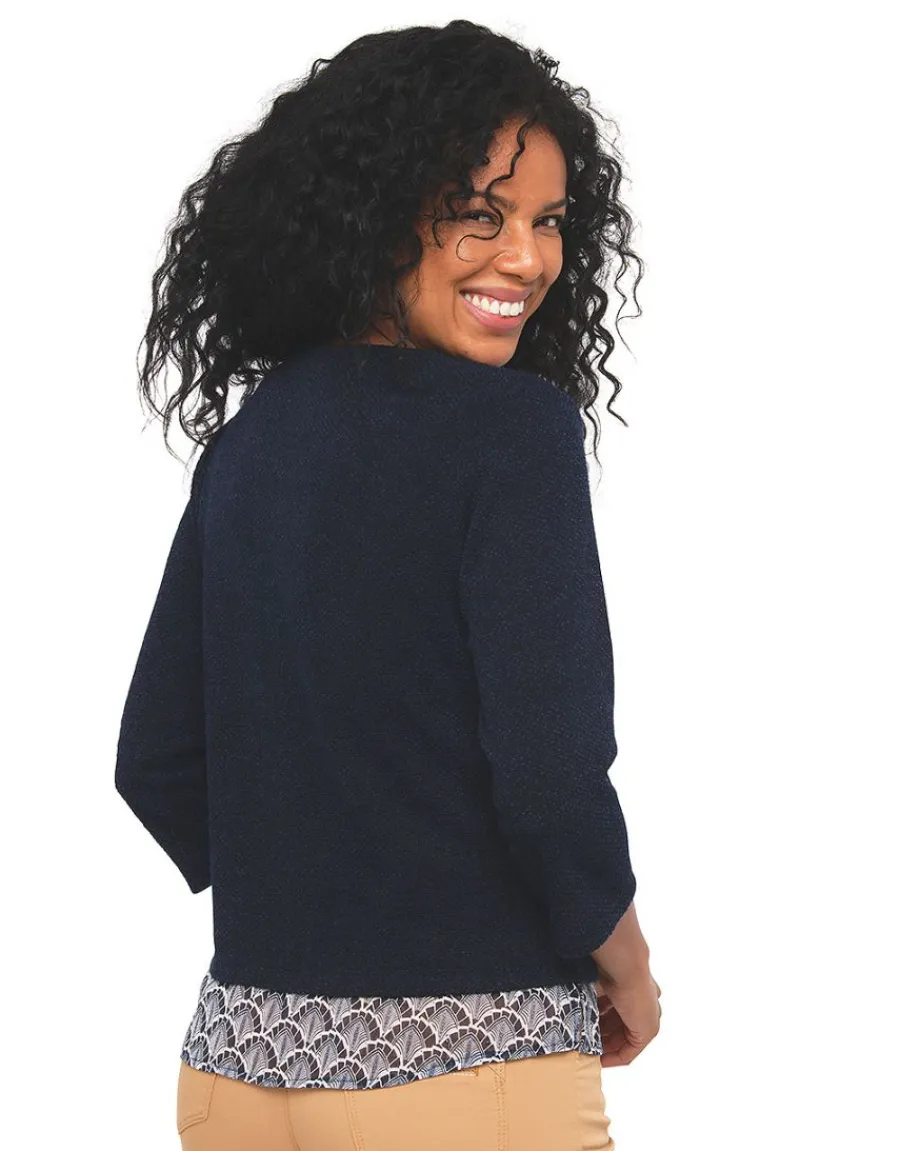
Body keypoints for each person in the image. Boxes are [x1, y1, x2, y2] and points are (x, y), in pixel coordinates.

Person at [114, 18, 662, 1151]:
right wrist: (629, 965)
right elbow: (549, 773)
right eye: (480, 214)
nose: (528, 259)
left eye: (549, 221)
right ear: (374, 214)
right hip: (464, 1069)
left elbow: (156, 759)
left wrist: (322, 876)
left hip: (235, 1075)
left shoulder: (250, 442)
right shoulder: (512, 433)